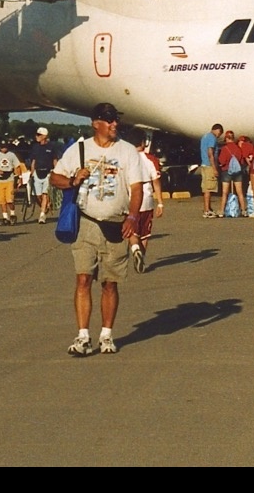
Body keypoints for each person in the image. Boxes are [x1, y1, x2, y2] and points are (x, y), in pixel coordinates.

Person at [51, 102, 150, 355]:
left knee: (109, 283)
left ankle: (106, 335)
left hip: (117, 225)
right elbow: (55, 177)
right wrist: (73, 180)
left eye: (115, 119)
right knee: (83, 278)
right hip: (87, 222)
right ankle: (83, 336)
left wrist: (132, 217)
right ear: (95, 123)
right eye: (109, 120)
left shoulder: (127, 151)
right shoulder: (79, 149)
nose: (114, 124)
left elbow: (136, 188)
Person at [128, 128, 163, 272]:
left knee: (132, 232)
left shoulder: (126, 159)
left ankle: (135, 249)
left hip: (130, 199)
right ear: (143, 142)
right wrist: (160, 202)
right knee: (145, 234)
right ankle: (142, 256)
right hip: (146, 198)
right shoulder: (150, 160)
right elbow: (156, 181)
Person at [0, 139, 20, 225]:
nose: (4, 149)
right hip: (0, 180)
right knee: (2, 200)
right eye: (2, 148)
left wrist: (19, 177)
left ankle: (12, 214)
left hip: (9, 179)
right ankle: (5, 217)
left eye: (5, 147)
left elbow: (17, 166)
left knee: (10, 199)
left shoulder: (12, 155)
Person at [27, 127, 55, 223]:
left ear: (44, 136)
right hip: (37, 173)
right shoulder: (35, 147)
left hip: (47, 173)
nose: (36, 136)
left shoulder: (51, 147)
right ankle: (46, 206)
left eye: (39, 135)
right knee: (37, 195)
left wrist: (56, 172)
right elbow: (33, 160)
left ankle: (42, 215)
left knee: (45, 194)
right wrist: (31, 172)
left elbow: (55, 160)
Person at [199, 123, 223, 218]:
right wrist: (214, 168)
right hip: (209, 165)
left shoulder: (205, 136)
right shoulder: (212, 138)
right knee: (209, 188)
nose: (219, 136)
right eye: (219, 133)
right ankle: (207, 210)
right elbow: (210, 153)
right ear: (218, 130)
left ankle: (207, 208)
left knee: (205, 188)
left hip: (204, 164)